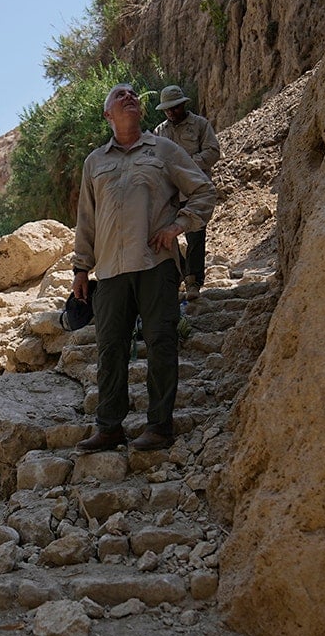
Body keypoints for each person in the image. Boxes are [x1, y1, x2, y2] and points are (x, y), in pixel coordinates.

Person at [73, 83, 216, 452]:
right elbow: (86, 219)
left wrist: (178, 225)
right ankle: (109, 427)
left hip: (156, 264)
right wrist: (80, 269)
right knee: (110, 348)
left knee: (161, 343)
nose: (129, 96)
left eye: (133, 94)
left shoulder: (164, 149)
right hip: (109, 270)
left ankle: (160, 427)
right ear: (107, 114)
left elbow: (203, 191)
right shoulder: (94, 162)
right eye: (119, 95)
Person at [153, 84, 220, 301]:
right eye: (167, 109)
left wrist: (188, 166)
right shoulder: (159, 131)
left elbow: (213, 151)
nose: (171, 112)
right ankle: (179, 274)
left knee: (195, 236)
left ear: (183, 105)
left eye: (175, 107)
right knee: (164, 236)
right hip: (170, 194)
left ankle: (193, 282)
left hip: (195, 192)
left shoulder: (200, 125)